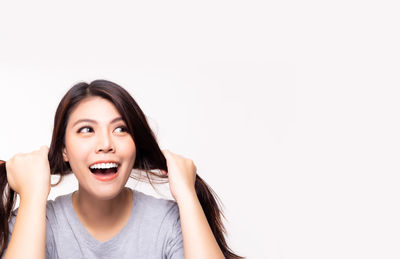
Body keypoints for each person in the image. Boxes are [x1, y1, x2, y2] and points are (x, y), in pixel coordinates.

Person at [0, 80, 243, 259]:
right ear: (64, 149)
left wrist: (188, 196)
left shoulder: (168, 223)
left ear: (136, 145)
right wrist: (32, 197)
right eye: (86, 130)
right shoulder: (33, 222)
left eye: (120, 129)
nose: (106, 144)